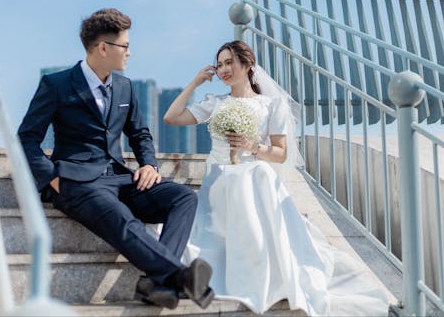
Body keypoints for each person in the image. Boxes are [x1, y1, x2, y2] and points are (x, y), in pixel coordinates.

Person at [163, 40, 391, 316]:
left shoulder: (271, 105)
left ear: (248, 65)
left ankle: (259, 268)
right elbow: (171, 117)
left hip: (251, 177)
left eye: (229, 62)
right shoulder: (216, 104)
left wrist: (251, 147)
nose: (223, 69)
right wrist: (195, 83)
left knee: (256, 172)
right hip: (218, 180)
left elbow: (281, 154)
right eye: (219, 64)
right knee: (239, 179)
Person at [17, 8, 214, 310]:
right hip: (77, 181)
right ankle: (180, 277)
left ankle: (156, 282)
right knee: (122, 219)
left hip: (120, 177)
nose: (130, 53)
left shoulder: (125, 87)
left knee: (183, 197)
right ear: (103, 48)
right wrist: (52, 177)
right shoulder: (56, 85)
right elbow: (27, 138)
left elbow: (140, 135)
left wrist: (149, 164)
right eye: (125, 46)